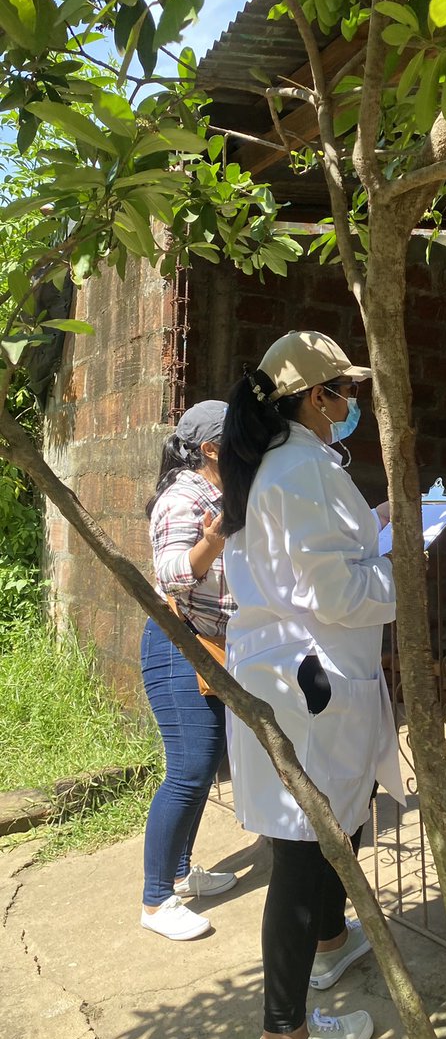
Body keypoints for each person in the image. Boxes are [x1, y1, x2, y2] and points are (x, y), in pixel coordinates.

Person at [219, 330, 405, 1039]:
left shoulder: (292, 466)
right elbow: (334, 591)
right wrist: (402, 580)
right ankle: (284, 1038)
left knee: (341, 816)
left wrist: (381, 527)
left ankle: (331, 944)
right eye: (342, 389)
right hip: (310, 684)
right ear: (314, 396)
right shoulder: (299, 470)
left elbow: (318, 561)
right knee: (303, 846)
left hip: (305, 679)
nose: (350, 401)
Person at [140, 401, 238, 941]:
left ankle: (180, 871)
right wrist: (214, 538)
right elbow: (173, 573)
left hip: (208, 645)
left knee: (204, 762)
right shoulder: (184, 497)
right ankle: (156, 900)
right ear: (209, 449)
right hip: (177, 642)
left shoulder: (217, 494)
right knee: (189, 768)